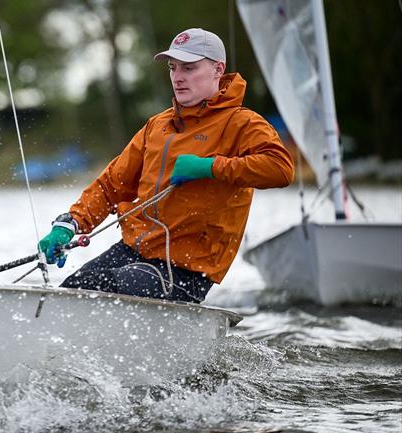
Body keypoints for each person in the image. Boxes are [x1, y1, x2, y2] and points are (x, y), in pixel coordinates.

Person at [38, 28, 294, 303]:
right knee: (71, 291)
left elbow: (281, 169)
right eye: (173, 68)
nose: (178, 77)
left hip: (187, 269)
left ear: (218, 70)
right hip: (134, 250)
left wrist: (210, 167)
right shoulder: (157, 126)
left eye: (189, 68)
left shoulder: (243, 123)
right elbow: (112, 185)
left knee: (105, 288)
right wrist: (71, 223)